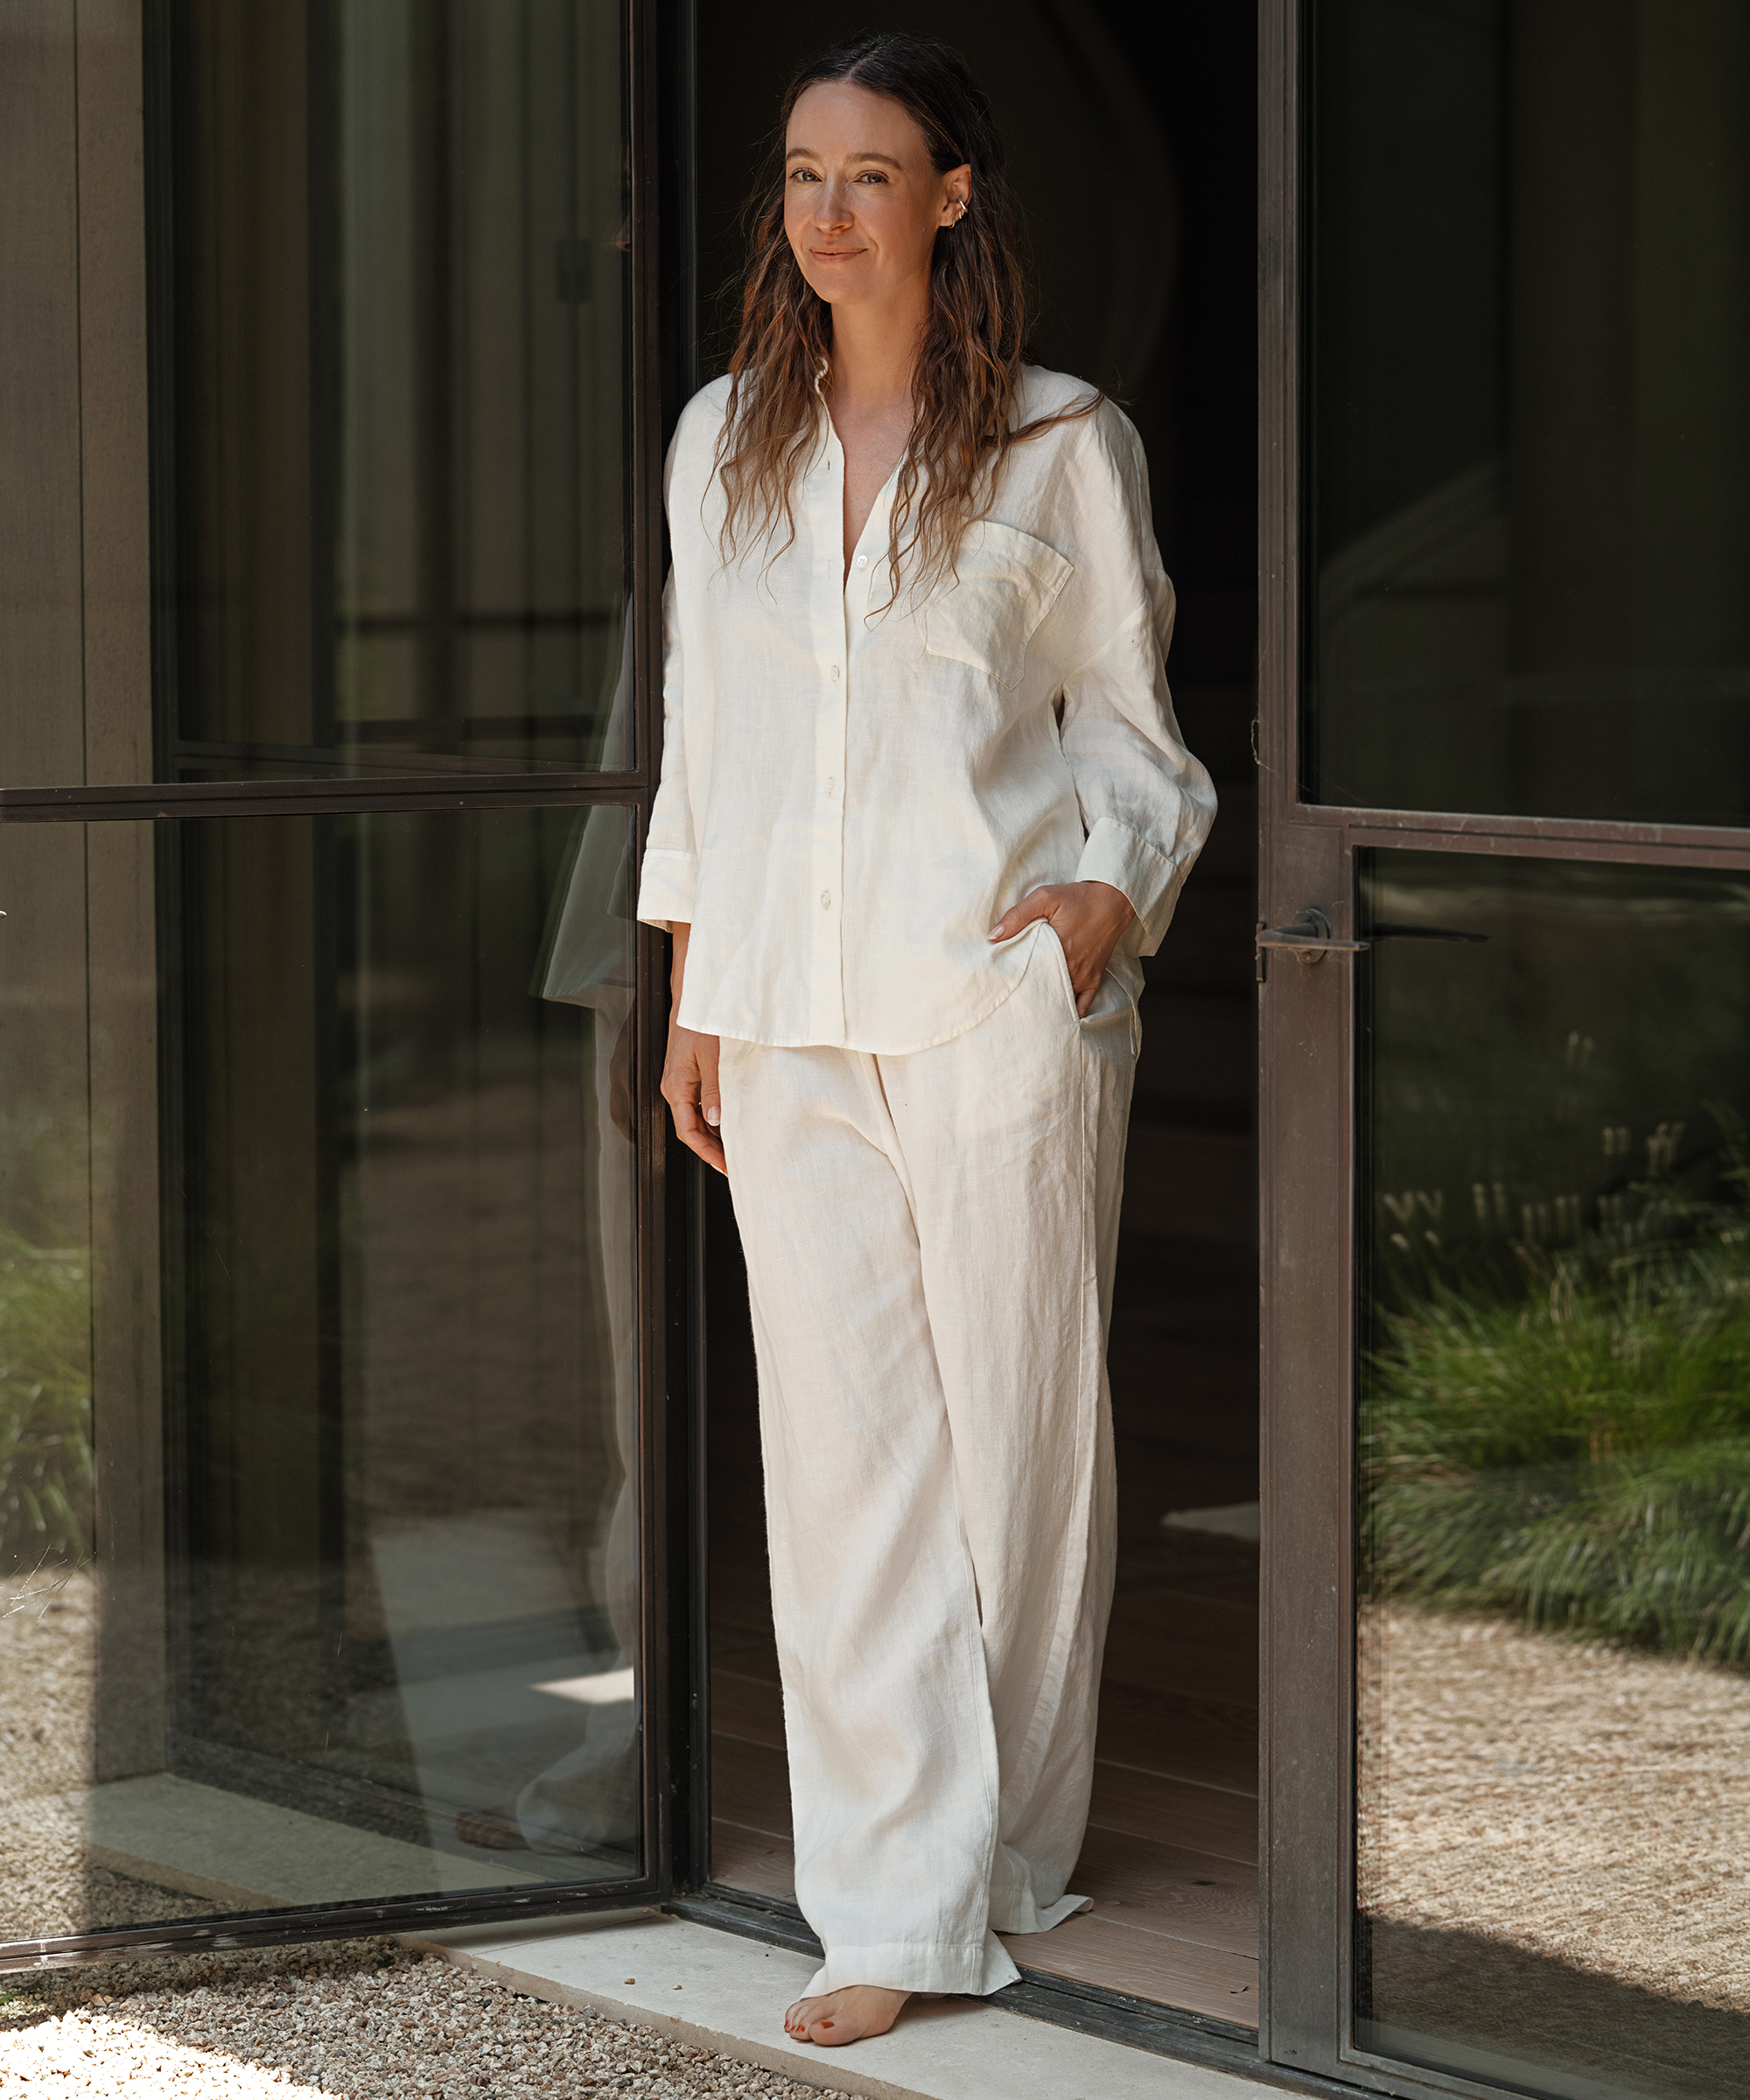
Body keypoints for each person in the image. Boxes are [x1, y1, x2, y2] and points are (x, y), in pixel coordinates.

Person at [637, 31, 1215, 2049]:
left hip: (992, 1010)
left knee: (1020, 1450)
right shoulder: (726, 445)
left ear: (950, 195)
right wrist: (698, 999)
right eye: (802, 173)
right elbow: (709, 746)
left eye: (868, 174)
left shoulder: (1064, 443)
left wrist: (1086, 918)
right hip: (787, 1022)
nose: (825, 211)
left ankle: (1014, 1847)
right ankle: (890, 1901)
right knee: (850, 1464)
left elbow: (1140, 749)